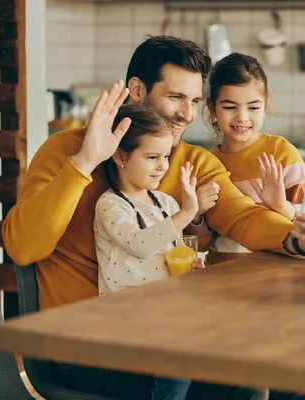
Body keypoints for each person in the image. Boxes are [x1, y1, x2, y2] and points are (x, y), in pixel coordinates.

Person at [2, 35, 305, 399]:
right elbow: (23, 247)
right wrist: (84, 161)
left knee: (281, 371)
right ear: (137, 90)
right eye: (175, 97)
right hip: (81, 347)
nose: (187, 114)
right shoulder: (65, 150)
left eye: (193, 101)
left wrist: (294, 238)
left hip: (157, 335)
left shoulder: (194, 161)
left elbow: (242, 215)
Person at [95, 104, 203, 400]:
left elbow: (175, 254)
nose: (162, 166)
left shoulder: (165, 203)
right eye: (152, 157)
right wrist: (188, 212)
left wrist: (191, 267)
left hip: (166, 312)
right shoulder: (111, 206)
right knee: (177, 359)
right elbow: (139, 244)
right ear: (120, 156)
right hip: (127, 317)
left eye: (166, 156)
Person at [204, 52, 305, 265]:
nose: (242, 117)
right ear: (211, 107)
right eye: (229, 107)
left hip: (276, 268)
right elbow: (203, 241)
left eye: (253, 107)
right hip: (221, 271)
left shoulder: (282, 152)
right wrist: (196, 214)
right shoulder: (208, 163)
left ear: (265, 106)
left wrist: (281, 206)